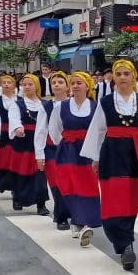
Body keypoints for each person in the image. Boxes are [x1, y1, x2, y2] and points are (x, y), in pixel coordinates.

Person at [82, 60, 138, 270]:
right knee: (114, 201)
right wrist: (95, 157)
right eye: (118, 74)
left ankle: (127, 243)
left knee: (132, 200)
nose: (122, 77)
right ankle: (123, 243)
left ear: (133, 77)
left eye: (126, 73)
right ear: (113, 77)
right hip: (113, 153)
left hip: (137, 153)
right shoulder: (105, 102)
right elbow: (98, 130)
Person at [48, 72, 102, 246]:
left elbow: (101, 131)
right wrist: (64, 143)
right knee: (69, 185)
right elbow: (54, 129)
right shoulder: (61, 107)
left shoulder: (95, 107)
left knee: (88, 186)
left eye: (80, 83)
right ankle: (76, 220)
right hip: (68, 151)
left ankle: (84, 221)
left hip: (87, 151)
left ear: (88, 86)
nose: (76, 86)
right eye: (73, 83)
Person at [7, 74, 50, 216]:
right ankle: (18, 196)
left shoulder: (44, 104)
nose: (27, 87)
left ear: (36, 85)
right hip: (23, 140)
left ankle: (41, 203)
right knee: (22, 170)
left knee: (40, 171)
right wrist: (17, 128)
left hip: (40, 141)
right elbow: (13, 118)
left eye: (30, 84)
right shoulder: (17, 104)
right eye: (24, 84)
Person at [34, 71, 71, 230]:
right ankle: (61, 216)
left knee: (71, 181)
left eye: (60, 82)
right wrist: (39, 154)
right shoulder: (46, 106)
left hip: (71, 147)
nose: (56, 85)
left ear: (67, 86)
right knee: (56, 183)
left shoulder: (75, 104)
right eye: (54, 82)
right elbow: (40, 130)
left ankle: (73, 213)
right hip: (51, 148)